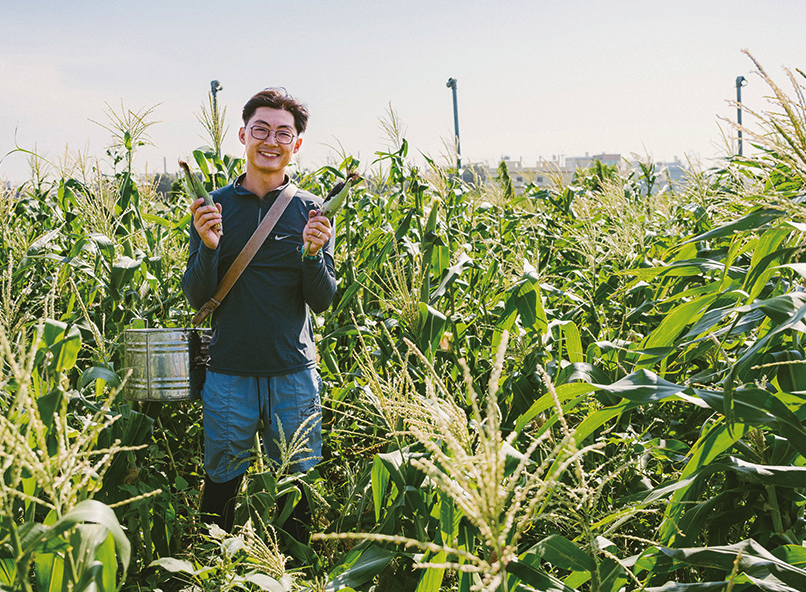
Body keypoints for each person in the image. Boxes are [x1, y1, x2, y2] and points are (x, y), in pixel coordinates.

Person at [182, 88, 337, 536]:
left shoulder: (314, 211)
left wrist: (312, 254)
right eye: (261, 130)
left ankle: (296, 570)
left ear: (297, 145)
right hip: (229, 371)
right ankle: (215, 568)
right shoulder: (213, 205)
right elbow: (197, 296)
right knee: (222, 481)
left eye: (283, 133)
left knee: (295, 484)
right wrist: (209, 249)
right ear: (243, 136)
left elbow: (323, 300)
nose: (271, 141)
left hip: (292, 371)